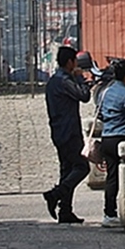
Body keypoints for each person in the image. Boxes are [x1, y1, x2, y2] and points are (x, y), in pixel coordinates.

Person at [40, 45, 93, 225]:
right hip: (69, 131)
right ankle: (54, 195)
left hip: (58, 130)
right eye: (75, 62)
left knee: (67, 169)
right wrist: (80, 77)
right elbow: (84, 95)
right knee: (81, 167)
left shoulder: (53, 81)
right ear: (70, 62)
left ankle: (65, 210)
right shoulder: (64, 81)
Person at [94, 58, 125, 221]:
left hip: (107, 138)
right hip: (123, 139)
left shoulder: (105, 91)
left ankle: (109, 213)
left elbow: (99, 114)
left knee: (111, 178)